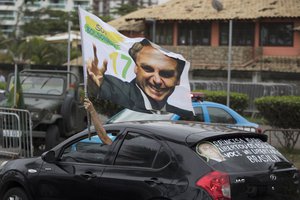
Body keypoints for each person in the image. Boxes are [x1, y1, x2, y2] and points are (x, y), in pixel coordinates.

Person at [86, 39, 193, 117]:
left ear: (178, 79)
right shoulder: (121, 91)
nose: (157, 80)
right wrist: (94, 85)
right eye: (148, 69)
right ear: (136, 68)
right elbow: (105, 88)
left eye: (166, 74)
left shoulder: (179, 114)